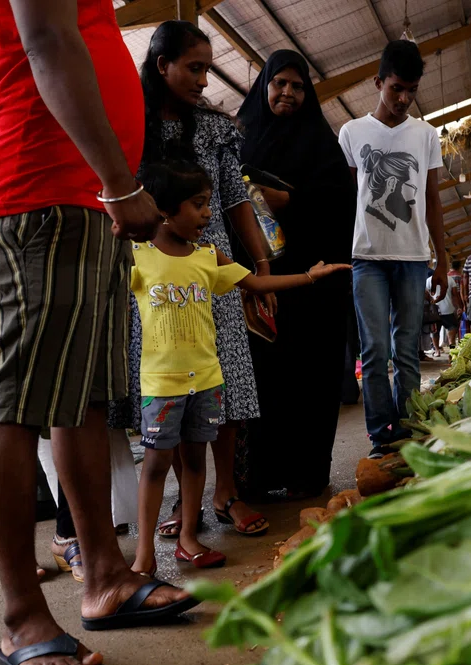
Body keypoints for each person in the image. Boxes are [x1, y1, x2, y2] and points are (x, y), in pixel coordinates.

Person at [0, 0, 195, 665]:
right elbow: (45, 41)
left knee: (83, 401)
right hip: (38, 195)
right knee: (17, 406)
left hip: (81, 203)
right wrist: (120, 182)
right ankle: (22, 617)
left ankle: (104, 577)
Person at [0, 60, 138, 586]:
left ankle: (77, 543)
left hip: (78, 231)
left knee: (77, 399)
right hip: (16, 242)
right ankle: (25, 576)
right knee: (15, 407)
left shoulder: (71, 65)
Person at [129, 160, 349, 576]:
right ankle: (143, 555)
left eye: (209, 203)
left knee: (197, 462)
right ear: (163, 209)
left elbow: (255, 284)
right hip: (160, 385)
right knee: (157, 465)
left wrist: (309, 276)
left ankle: (189, 539)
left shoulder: (208, 256)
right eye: (198, 205)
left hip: (208, 381)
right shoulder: (138, 258)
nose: (208, 214)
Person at [112, 20, 272, 537]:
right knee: (172, 388)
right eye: (195, 68)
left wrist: (261, 262)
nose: (205, 80)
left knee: (223, 380)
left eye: (207, 68)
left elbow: (234, 199)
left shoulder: (216, 128)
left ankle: (226, 494)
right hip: (153, 277)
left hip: (212, 268)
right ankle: (187, 507)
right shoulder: (127, 122)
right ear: (162, 66)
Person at [237, 49, 357, 498]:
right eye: (279, 83)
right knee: (262, 380)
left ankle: (306, 475)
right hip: (259, 286)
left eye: (297, 85)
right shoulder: (242, 138)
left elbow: (342, 205)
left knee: (310, 379)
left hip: (313, 289)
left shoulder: (321, 144)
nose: (287, 92)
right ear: (264, 85)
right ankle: (258, 480)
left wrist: (290, 202)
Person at [339, 40, 448, 459]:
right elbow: (345, 197)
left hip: (413, 258)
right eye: (396, 88)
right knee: (375, 350)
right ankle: (380, 438)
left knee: (407, 350)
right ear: (378, 82)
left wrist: (442, 260)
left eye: (411, 91)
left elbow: (434, 199)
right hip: (366, 257)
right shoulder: (351, 132)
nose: (404, 99)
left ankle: (408, 428)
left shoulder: (426, 134)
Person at [426, 271, 461, 351]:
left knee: (435, 332)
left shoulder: (429, 280)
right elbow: (455, 295)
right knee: (451, 331)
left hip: (434, 312)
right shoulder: (450, 279)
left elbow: (425, 293)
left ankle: (437, 350)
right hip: (448, 309)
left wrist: (432, 300)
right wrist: (458, 307)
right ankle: (452, 351)